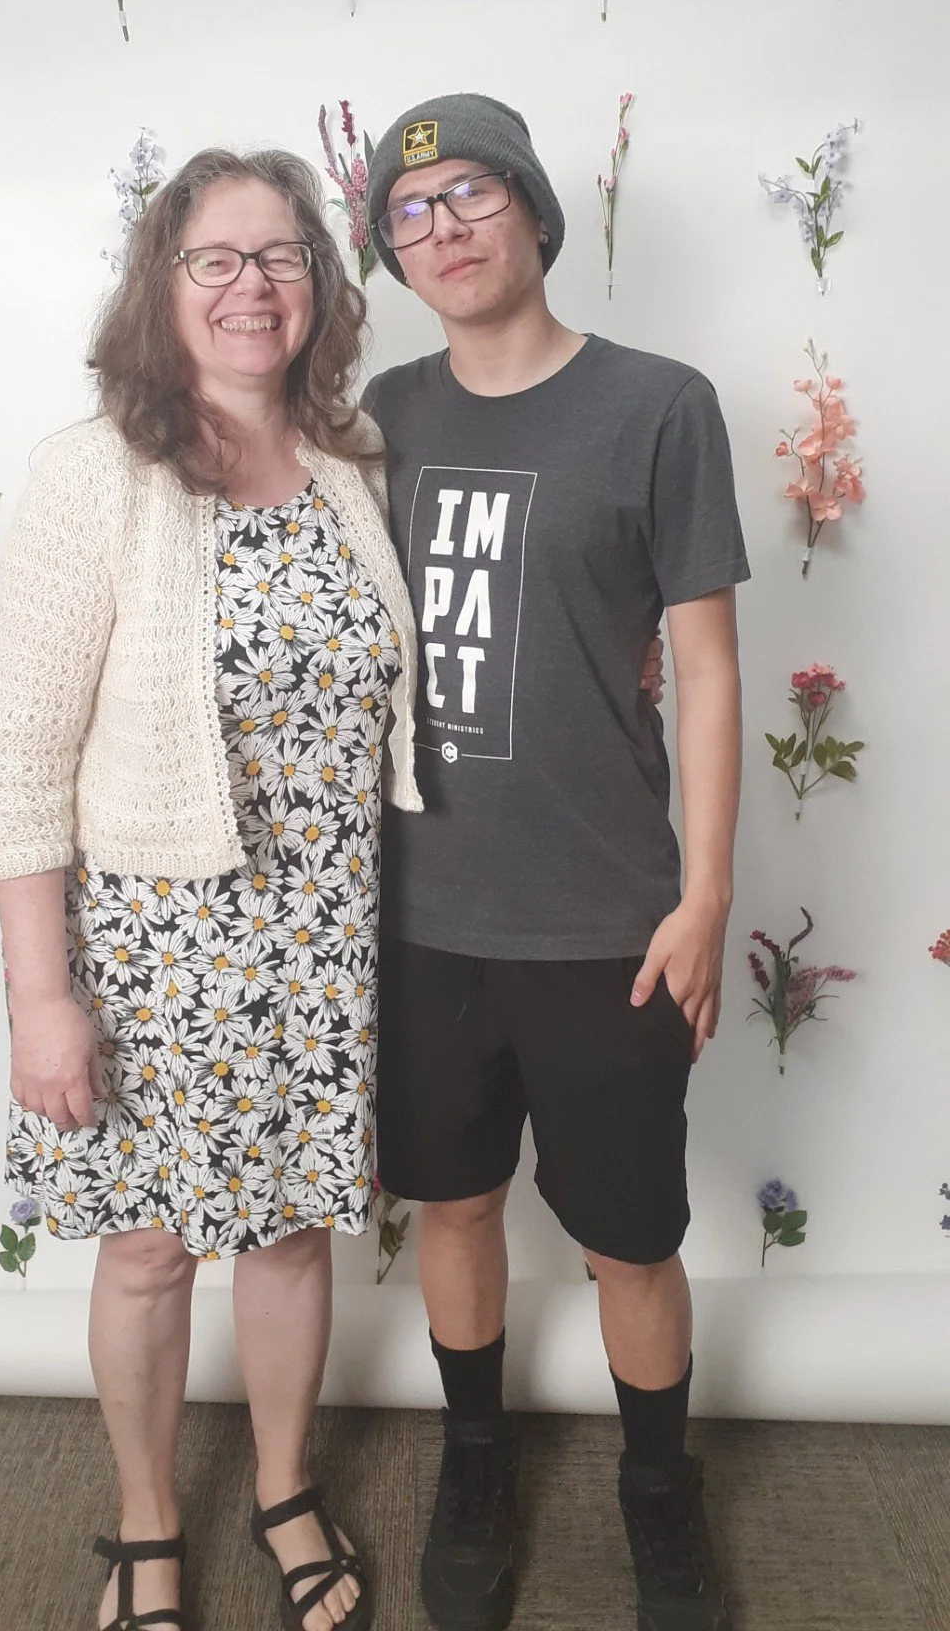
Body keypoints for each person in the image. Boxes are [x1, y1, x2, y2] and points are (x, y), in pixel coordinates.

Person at [0, 147, 424, 1631]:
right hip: (157, 942)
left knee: (293, 1230)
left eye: (281, 256)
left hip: (323, 934)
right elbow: (20, 763)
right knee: (153, 1246)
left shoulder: (354, 460)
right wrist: (41, 1000)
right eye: (215, 259)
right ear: (160, 287)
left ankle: (284, 1490)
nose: (251, 286)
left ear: (318, 285)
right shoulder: (96, 471)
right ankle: (146, 1519)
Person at [362, 94, 749, 1631]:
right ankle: (475, 1463)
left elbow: (706, 669)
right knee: (453, 1208)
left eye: (470, 194)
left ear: (531, 208)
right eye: (409, 214)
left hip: (608, 922)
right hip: (420, 920)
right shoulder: (380, 415)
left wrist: (704, 897)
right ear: (393, 257)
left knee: (629, 1239)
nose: (443, 229)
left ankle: (659, 1492)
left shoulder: (659, 407)